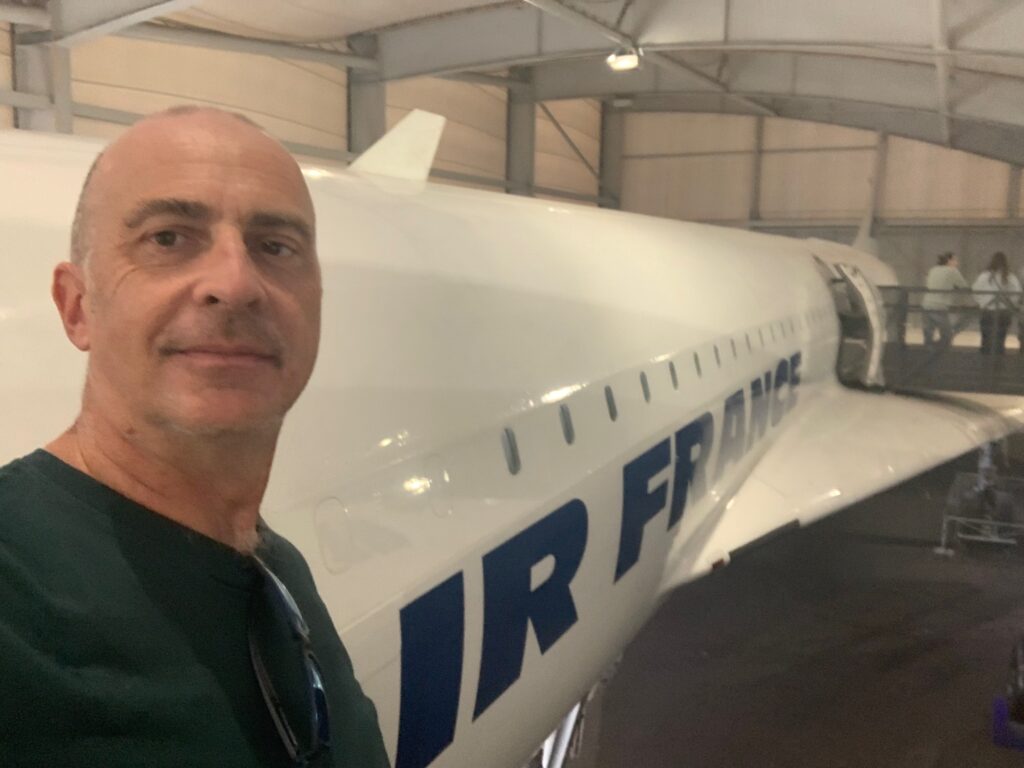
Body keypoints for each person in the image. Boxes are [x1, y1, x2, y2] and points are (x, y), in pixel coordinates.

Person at [0, 107, 390, 767]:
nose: (235, 285)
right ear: (77, 307)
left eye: (276, 246)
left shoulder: (275, 572)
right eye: (168, 238)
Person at [973, 251, 1022, 354]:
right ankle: (998, 363)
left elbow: (975, 291)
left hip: (987, 311)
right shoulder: (1010, 276)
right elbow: (1017, 293)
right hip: (1003, 312)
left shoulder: (984, 276)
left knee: (986, 338)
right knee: (1000, 338)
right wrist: (1011, 304)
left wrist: (982, 303)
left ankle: (985, 363)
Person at [921, 252, 967, 347]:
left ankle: (928, 354)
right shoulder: (952, 271)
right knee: (947, 335)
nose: (957, 263)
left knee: (928, 335)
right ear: (949, 261)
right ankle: (940, 353)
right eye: (955, 260)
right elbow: (964, 286)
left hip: (926, 304)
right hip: (940, 306)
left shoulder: (933, 269)